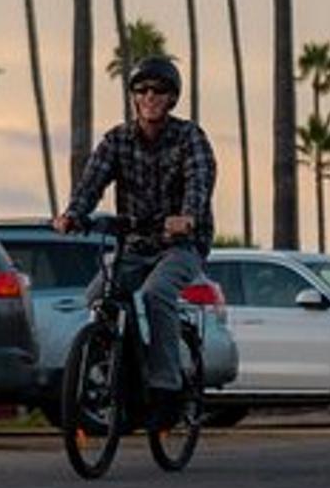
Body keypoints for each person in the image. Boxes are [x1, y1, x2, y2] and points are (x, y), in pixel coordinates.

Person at [54, 56, 216, 422]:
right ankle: (122, 376)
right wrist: (73, 215)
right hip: (134, 244)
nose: (149, 96)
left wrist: (187, 218)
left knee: (157, 293)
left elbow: (199, 182)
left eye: (159, 90)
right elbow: (91, 182)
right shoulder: (117, 140)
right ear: (133, 97)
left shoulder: (190, 137)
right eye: (142, 90)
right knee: (98, 297)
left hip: (181, 246)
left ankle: (167, 389)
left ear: (172, 98)